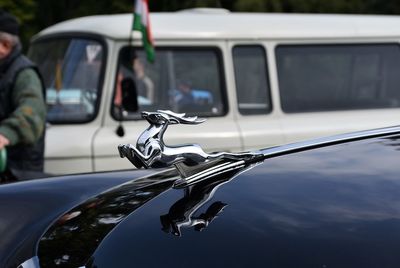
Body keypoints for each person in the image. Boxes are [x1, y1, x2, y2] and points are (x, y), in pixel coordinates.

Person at [0, 10, 46, 181]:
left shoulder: (24, 73)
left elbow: (31, 113)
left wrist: (4, 135)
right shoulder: (3, 71)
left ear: (5, 45)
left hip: (20, 175)